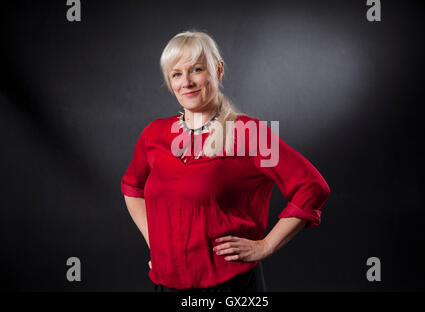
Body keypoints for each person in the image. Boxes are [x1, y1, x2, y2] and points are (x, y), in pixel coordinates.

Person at [121, 30, 331, 292]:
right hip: (166, 283)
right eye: (176, 74)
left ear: (218, 70)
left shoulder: (249, 133)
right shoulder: (154, 134)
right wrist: (159, 245)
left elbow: (312, 186)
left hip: (229, 286)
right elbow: (132, 189)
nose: (186, 82)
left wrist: (265, 246)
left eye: (196, 69)